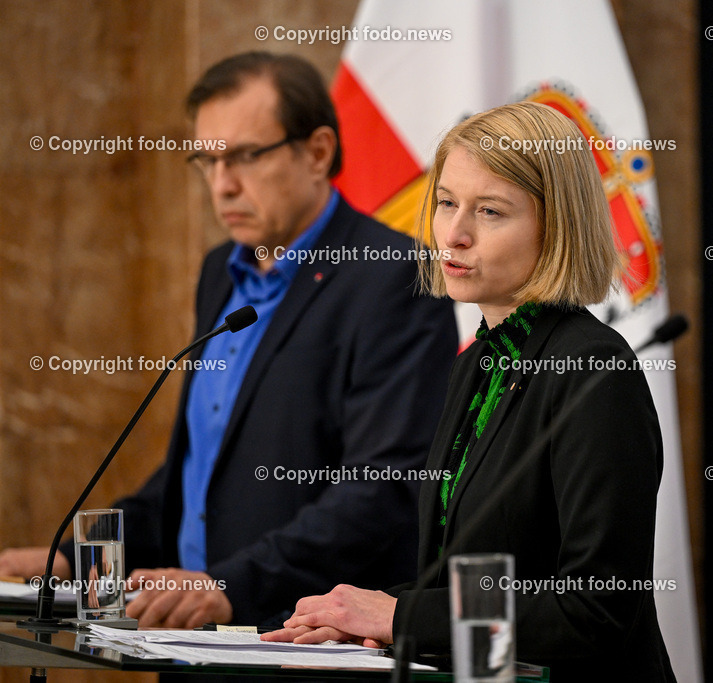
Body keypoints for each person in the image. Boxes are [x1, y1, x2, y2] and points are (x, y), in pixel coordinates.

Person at [0, 52, 457, 630]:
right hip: (187, 634)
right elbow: (200, 467)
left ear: (317, 152)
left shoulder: (392, 277)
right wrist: (71, 559)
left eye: (245, 156)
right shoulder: (221, 272)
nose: (223, 185)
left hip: (302, 642)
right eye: (207, 160)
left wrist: (232, 585)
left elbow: (382, 489)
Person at [262, 101, 677, 681]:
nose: (453, 234)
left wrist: (401, 614)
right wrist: (356, 616)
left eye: (490, 211)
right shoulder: (480, 362)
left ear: (555, 226)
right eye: (447, 203)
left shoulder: (591, 367)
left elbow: (598, 608)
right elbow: (458, 583)